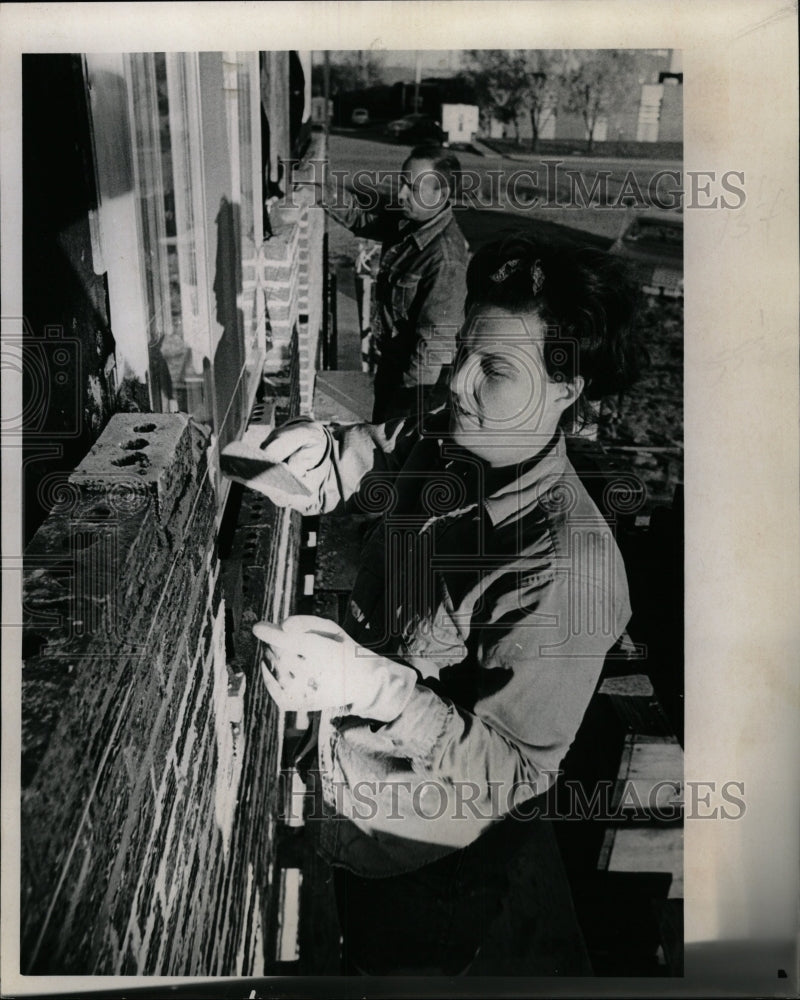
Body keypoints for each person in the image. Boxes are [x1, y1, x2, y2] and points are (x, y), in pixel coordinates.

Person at [225, 236, 642, 975]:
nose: (456, 383)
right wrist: (322, 461)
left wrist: (378, 690)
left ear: (568, 388)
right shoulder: (449, 428)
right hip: (344, 786)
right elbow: (375, 448)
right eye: (460, 354)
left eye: (496, 371)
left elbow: (512, 776)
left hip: (423, 862)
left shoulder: (566, 569)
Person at [320, 142, 470, 421]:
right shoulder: (410, 222)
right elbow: (361, 217)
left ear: (442, 193)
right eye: (402, 183)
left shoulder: (445, 260)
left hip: (415, 393)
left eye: (412, 188)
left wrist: (403, 416)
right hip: (392, 371)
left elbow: (432, 350)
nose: (401, 194)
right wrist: (318, 192)